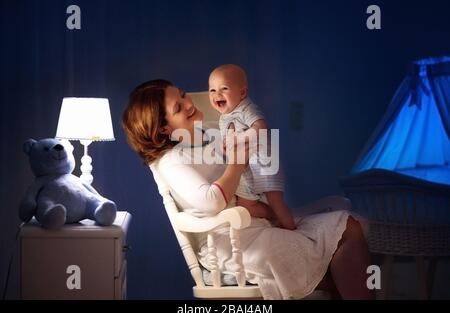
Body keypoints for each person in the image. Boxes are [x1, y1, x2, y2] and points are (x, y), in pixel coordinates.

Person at [122, 79, 374, 299]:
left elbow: (255, 163)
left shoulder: (209, 135)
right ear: (164, 128)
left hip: (257, 221)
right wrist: (237, 164)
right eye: (178, 107)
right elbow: (211, 201)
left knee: (348, 225)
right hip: (229, 241)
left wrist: (265, 195)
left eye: (184, 94)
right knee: (338, 272)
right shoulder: (172, 161)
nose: (188, 103)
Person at [208, 64, 296, 230]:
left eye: (224, 88)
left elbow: (261, 128)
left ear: (242, 93)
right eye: (212, 90)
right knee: (246, 205)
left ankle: (291, 228)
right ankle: (274, 216)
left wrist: (239, 139)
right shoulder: (224, 116)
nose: (216, 94)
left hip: (264, 164)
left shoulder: (245, 108)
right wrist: (225, 146)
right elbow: (229, 140)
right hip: (247, 169)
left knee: (275, 199)